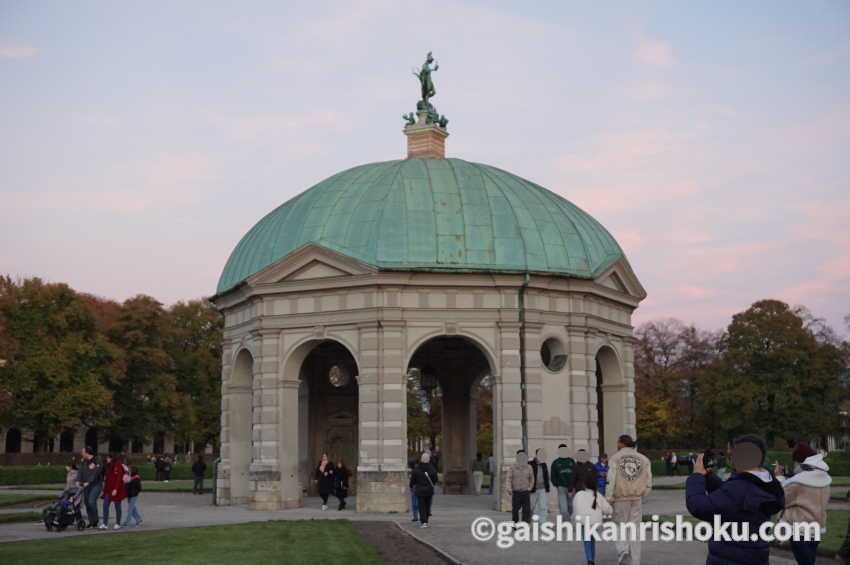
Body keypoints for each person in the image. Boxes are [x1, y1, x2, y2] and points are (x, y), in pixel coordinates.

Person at [686, 434, 785, 565]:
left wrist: (697, 476)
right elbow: (732, 499)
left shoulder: (741, 487)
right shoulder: (766, 482)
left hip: (731, 557)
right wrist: (708, 476)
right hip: (755, 553)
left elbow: (699, 506)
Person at [775, 452, 830, 565]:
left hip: (799, 529)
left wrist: (779, 477)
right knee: (809, 561)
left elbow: (782, 500)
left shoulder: (799, 483)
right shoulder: (826, 483)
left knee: (805, 562)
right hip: (816, 528)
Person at [607, 434, 652, 565]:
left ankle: (623, 550)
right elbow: (649, 481)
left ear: (621, 443)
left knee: (620, 526)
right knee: (635, 529)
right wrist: (643, 494)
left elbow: (611, 481)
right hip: (636, 498)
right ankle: (635, 560)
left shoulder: (615, 458)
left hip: (620, 498)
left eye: (617, 442)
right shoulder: (644, 459)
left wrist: (609, 498)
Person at [574, 472, 613, 565]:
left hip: (584, 522)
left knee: (587, 541)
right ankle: (592, 559)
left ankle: (590, 560)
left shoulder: (579, 494)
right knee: (592, 540)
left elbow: (575, 508)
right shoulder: (598, 495)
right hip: (595, 522)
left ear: (584, 484)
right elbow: (608, 509)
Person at [77, 446, 102, 529]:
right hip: (85, 485)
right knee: (87, 503)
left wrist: (89, 481)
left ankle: (95, 520)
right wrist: (78, 480)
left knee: (91, 501)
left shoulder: (97, 460)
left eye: (83, 452)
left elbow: (96, 472)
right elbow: (80, 471)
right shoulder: (83, 461)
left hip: (95, 484)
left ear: (87, 453)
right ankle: (91, 522)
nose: (81, 453)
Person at [410, 452, 437, 528]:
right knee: (427, 506)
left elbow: (413, 480)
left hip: (420, 490)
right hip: (429, 490)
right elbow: (435, 479)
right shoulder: (432, 468)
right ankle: (426, 520)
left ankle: (423, 522)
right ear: (429, 459)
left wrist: (411, 486)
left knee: (421, 506)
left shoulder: (416, 469)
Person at [100, 453, 127, 530]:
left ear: (111, 458)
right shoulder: (108, 465)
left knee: (117, 506)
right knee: (105, 505)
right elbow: (107, 478)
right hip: (108, 490)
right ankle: (105, 524)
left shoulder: (118, 464)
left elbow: (119, 478)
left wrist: (115, 489)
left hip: (116, 490)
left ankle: (118, 523)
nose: (107, 459)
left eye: (108, 458)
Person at [551, 443, 576, 520]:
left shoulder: (571, 461)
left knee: (571, 506)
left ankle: (569, 521)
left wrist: (572, 487)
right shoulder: (556, 462)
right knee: (563, 508)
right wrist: (557, 484)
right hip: (561, 487)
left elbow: (575, 474)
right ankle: (566, 523)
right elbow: (553, 475)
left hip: (571, 487)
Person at [509, 449, 533, 525]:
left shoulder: (529, 467)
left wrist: (530, 487)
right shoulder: (513, 467)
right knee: (515, 509)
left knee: (526, 509)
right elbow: (508, 478)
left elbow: (532, 478)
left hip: (525, 491)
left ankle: (525, 524)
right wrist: (508, 488)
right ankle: (515, 523)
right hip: (516, 492)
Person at [530, 448, 551, 523]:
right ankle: (527, 521)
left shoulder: (544, 464)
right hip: (532, 489)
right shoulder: (530, 464)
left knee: (543, 507)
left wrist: (547, 487)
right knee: (530, 507)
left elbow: (546, 476)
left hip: (542, 488)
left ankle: (542, 522)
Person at [408, 458, 420, 522]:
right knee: (419, 502)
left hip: (415, 487)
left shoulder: (413, 471)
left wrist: (410, 486)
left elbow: (412, 481)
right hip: (420, 487)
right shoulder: (420, 469)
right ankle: (420, 515)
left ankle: (415, 516)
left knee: (414, 503)